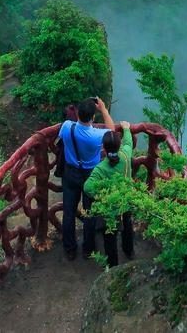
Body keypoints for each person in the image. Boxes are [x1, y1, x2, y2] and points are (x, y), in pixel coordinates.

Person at [58, 96, 113, 260]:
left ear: (78, 114)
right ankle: (88, 248)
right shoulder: (96, 136)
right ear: (93, 117)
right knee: (90, 213)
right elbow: (112, 130)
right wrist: (103, 109)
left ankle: (70, 249)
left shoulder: (67, 127)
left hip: (70, 172)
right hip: (90, 175)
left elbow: (62, 136)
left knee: (68, 212)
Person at [82, 119, 135, 267]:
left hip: (110, 210)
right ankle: (129, 251)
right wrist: (126, 129)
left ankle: (113, 268)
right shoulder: (125, 157)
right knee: (127, 226)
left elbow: (87, 187)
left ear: (103, 149)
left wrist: (102, 196)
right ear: (118, 147)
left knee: (110, 238)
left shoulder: (100, 168)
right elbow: (128, 143)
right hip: (125, 201)